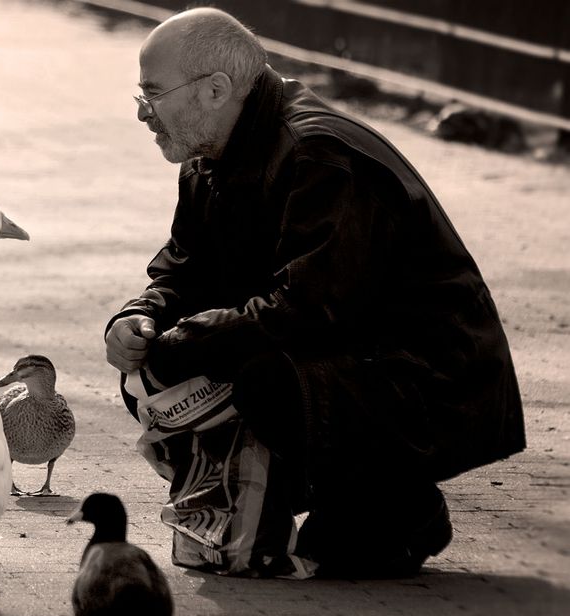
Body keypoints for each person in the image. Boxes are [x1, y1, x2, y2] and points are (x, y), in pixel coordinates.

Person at [105, 8, 525, 578]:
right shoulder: (209, 157)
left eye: (152, 94)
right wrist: (140, 319)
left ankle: (398, 503)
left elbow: (311, 308)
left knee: (253, 374)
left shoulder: (319, 154)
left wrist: (191, 339)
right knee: (153, 363)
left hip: (435, 382)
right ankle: (271, 504)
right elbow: (180, 271)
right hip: (350, 358)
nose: (142, 113)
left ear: (215, 89)